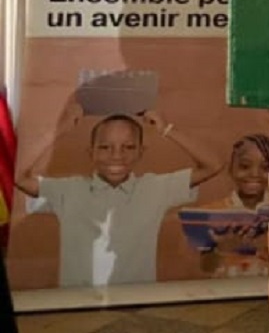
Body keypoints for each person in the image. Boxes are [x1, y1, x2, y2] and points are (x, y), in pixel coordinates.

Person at [15, 106, 224, 287]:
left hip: (135, 304)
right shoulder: (68, 190)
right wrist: (60, 130)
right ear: (91, 152)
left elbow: (213, 165)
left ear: (141, 152)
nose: (117, 155)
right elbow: (18, 176)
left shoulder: (155, 188)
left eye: (128, 147)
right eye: (105, 147)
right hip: (79, 304)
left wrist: (167, 129)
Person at [198, 134, 269, 278]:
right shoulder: (214, 212)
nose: (254, 174)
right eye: (244, 166)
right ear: (231, 169)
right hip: (228, 288)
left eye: (265, 168)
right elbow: (206, 267)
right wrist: (221, 250)